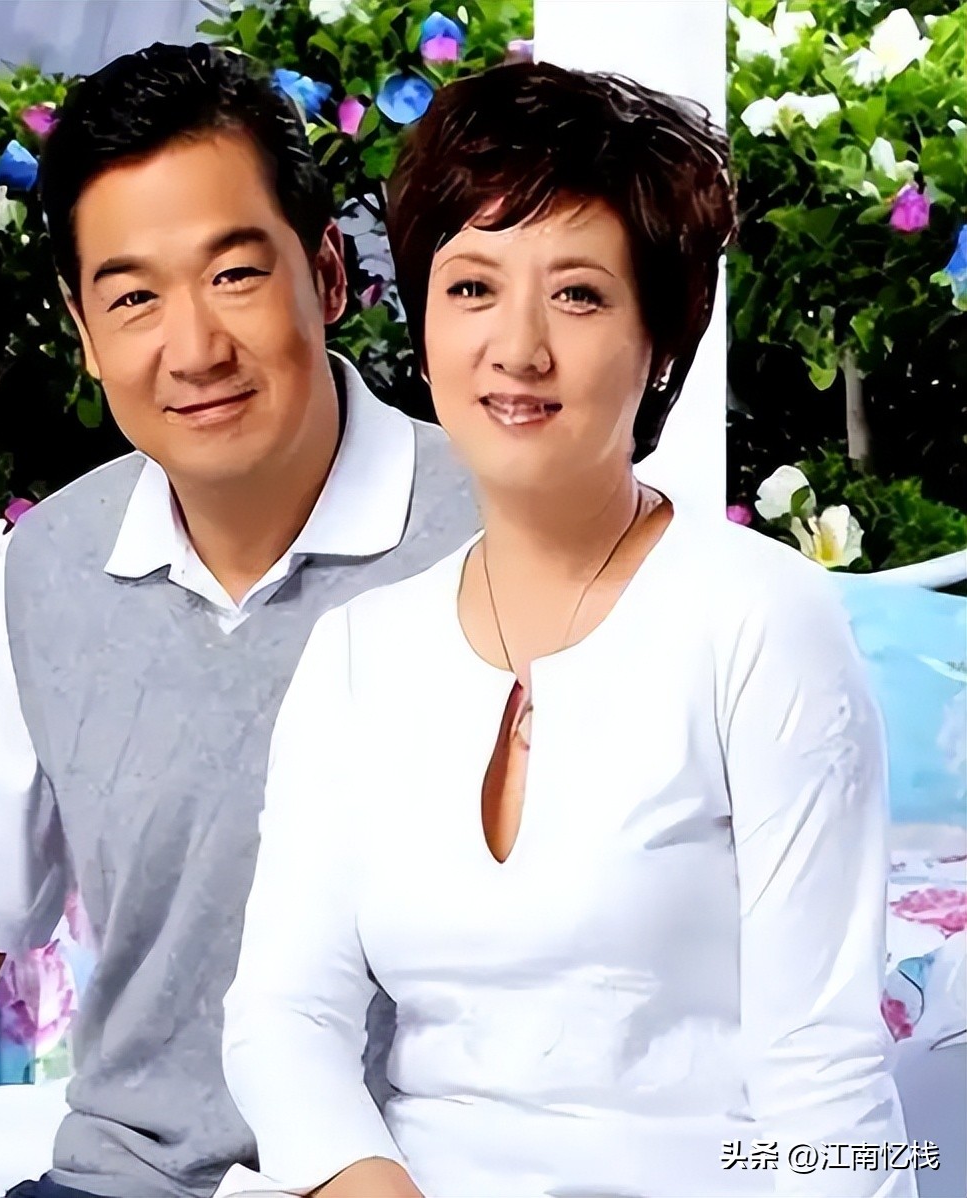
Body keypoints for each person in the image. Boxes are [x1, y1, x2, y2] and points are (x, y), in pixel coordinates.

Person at [0, 43, 479, 1198]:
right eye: (134, 297)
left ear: (326, 276)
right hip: (125, 1180)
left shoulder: (500, 539)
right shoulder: (54, 566)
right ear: (85, 330)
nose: (192, 349)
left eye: (235, 275)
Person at [218, 63, 916, 1198]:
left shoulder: (757, 620)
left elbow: (822, 1070)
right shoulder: (359, 653)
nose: (518, 347)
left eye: (579, 295)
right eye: (471, 287)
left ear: (660, 340)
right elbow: (284, 1017)